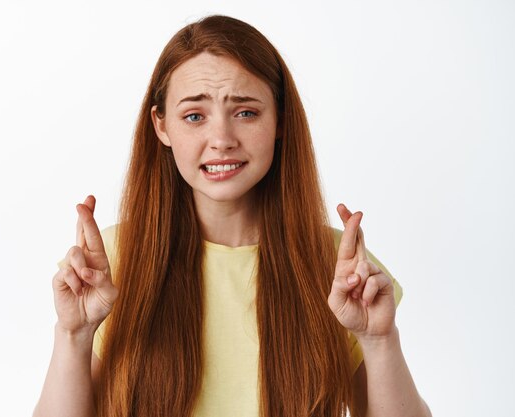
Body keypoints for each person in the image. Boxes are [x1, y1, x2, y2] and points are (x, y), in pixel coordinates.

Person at [34, 15, 431, 417]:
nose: (222, 139)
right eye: (194, 116)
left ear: (279, 119)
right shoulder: (114, 260)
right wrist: (74, 334)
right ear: (162, 126)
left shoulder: (337, 266)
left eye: (245, 112)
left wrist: (380, 340)